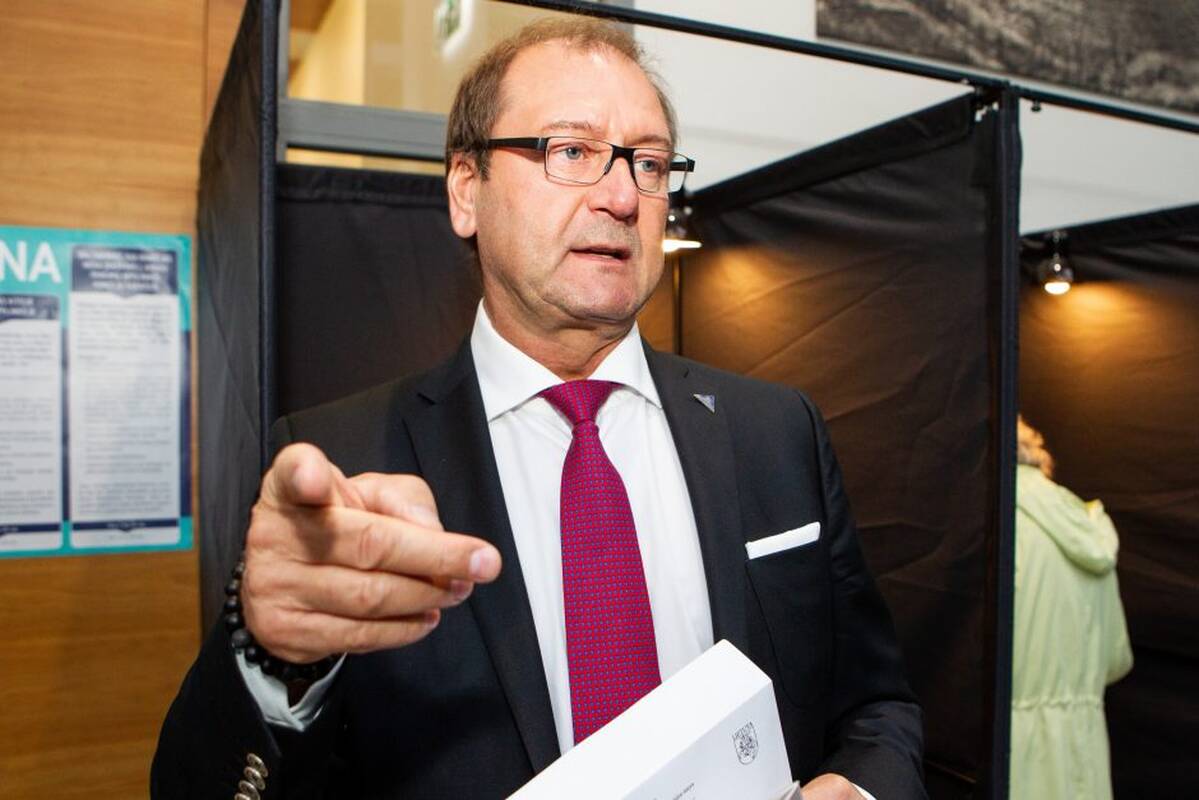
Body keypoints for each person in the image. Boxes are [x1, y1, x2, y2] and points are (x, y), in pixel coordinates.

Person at [153, 18, 924, 799]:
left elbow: (875, 708)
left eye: (649, 163)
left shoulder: (775, 431)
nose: (621, 196)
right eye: (571, 151)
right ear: (466, 189)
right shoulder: (344, 463)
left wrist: (860, 788)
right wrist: (267, 654)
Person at [1010, 416, 1132, 799]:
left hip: (1017, 755)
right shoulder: (1087, 524)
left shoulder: (998, 525)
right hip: (1085, 754)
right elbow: (1116, 659)